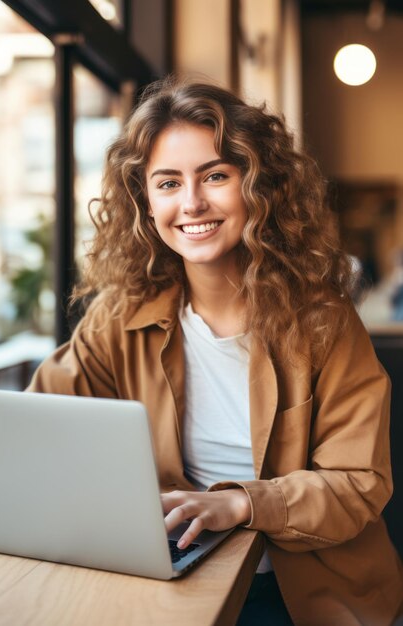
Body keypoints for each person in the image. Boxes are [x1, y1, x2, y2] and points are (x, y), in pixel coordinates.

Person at [27, 77, 403, 625]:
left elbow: (359, 483)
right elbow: (41, 423)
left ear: (258, 187)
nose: (192, 202)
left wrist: (241, 503)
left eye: (216, 176)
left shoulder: (323, 321)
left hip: (305, 592)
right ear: (145, 202)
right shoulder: (119, 314)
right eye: (168, 183)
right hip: (175, 575)